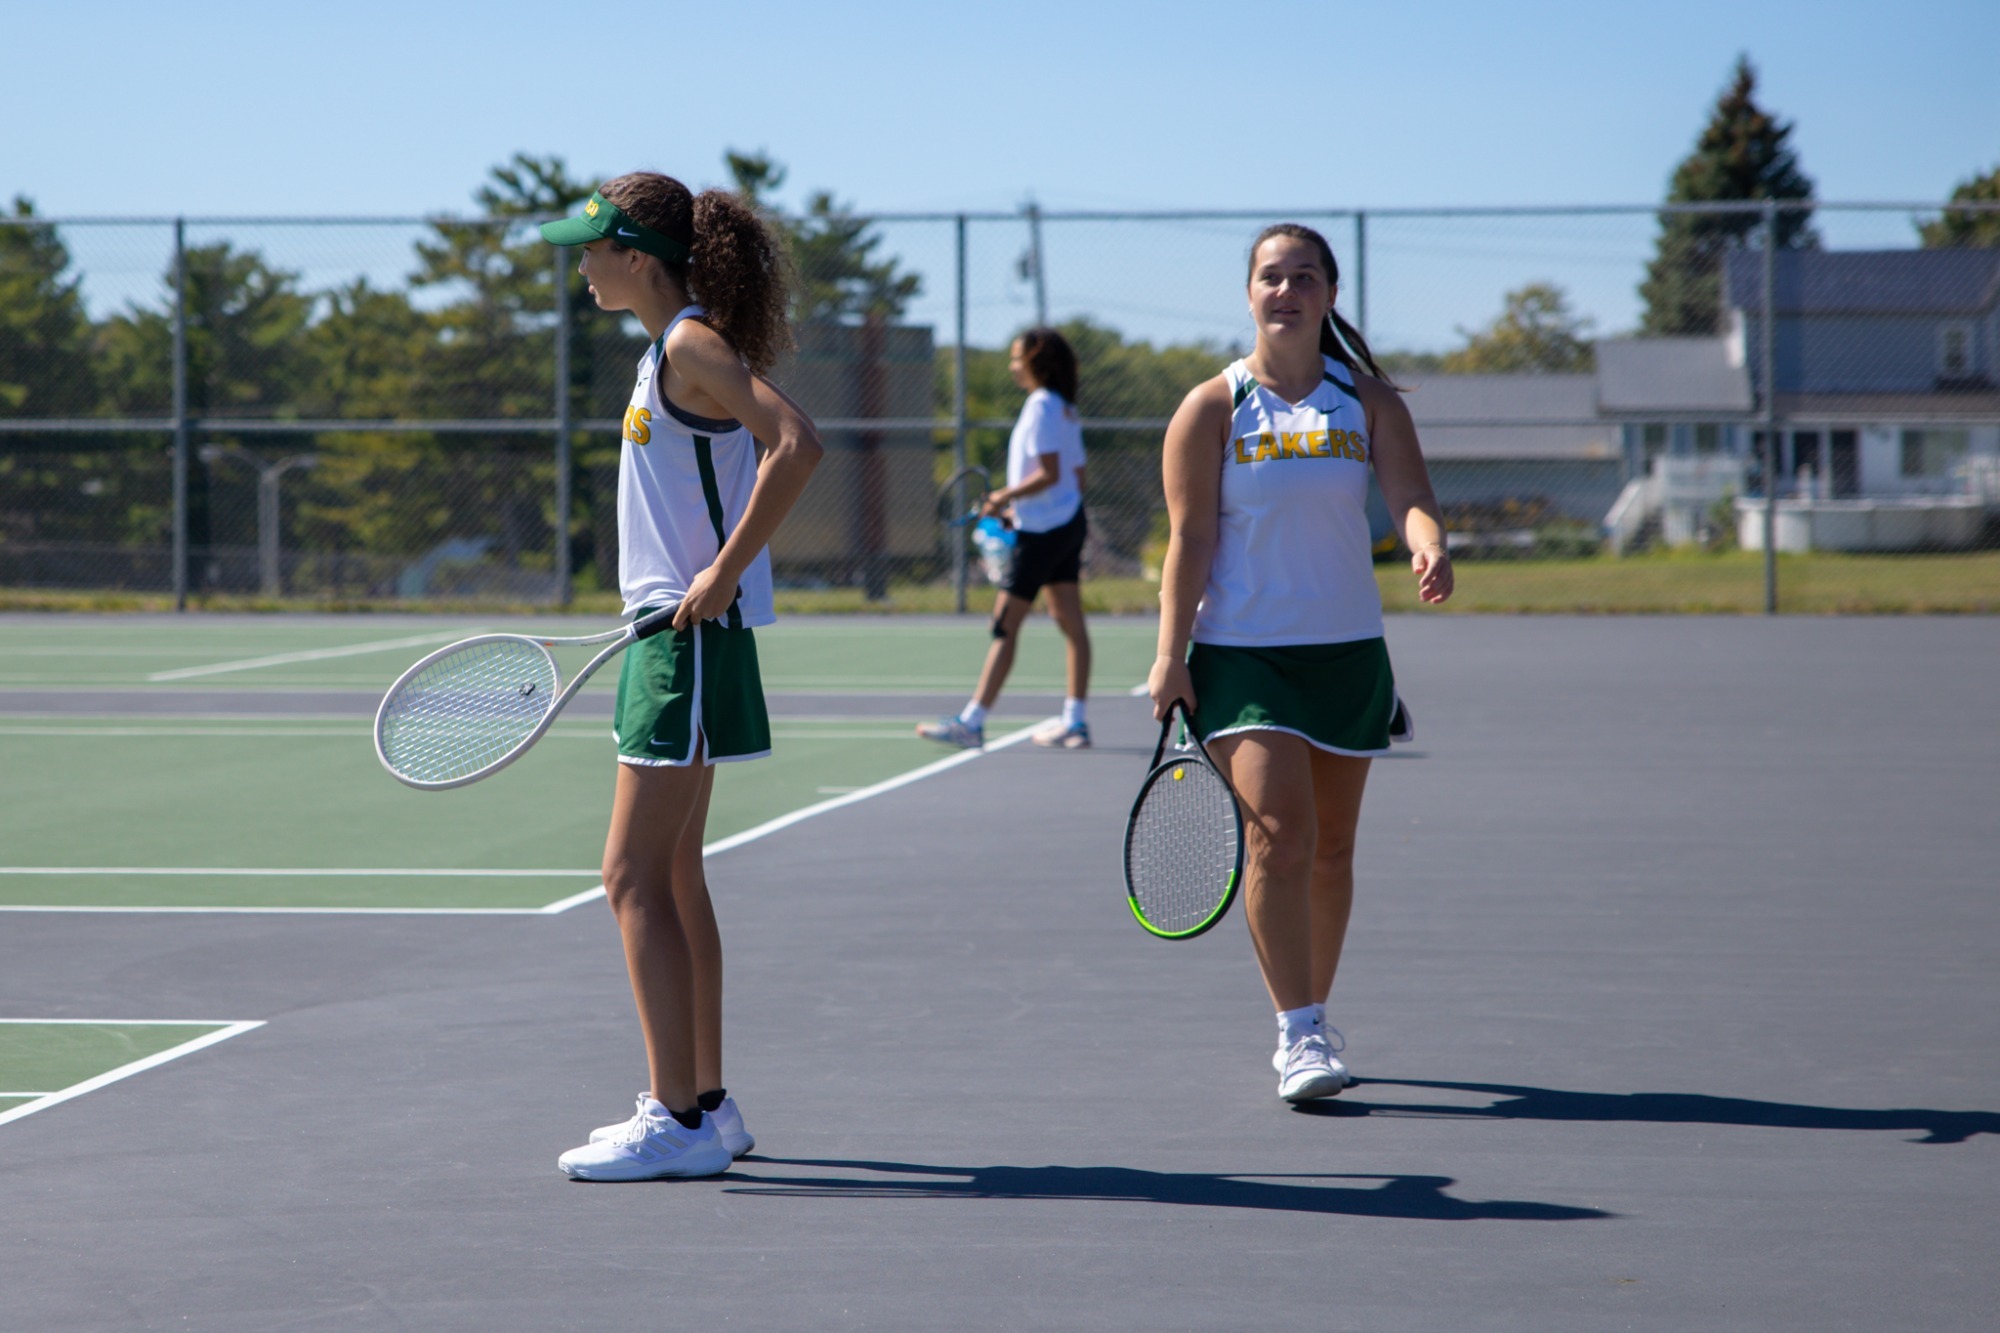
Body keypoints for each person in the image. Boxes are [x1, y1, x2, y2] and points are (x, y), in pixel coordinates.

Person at [537, 174, 821, 1179]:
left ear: (638, 259)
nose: (580, 263)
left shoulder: (691, 345)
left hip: (683, 638)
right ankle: (705, 1104)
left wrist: (718, 573)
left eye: (591, 246)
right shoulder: (666, 351)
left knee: (627, 877)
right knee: (669, 873)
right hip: (676, 635)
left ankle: (675, 1119)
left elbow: (796, 444)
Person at [1146, 223, 1453, 1103]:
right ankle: (1300, 1032)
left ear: (1329, 294)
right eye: (1271, 278)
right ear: (1249, 294)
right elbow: (1190, 539)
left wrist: (1428, 546)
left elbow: (1411, 499)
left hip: (1349, 653)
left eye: (1304, 277)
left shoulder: (1370, 405)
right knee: (1278, 839)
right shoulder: (1213, 406)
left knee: (1332, 850)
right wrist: (1170, 656)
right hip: (1243, 657)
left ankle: (1314, 1006)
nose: (1286, 291)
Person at [918, 326, 1093, 750]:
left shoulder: (1041, 407)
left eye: (1017, 357)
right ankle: (1075, 721)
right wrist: (1021, 508)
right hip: (1067, 525)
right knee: (1069, 621)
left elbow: (1048, 474)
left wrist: (1002, 497)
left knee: (1004, 625)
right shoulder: (1064, 409)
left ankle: (972, 722)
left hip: (1043, 535)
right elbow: (1075, 478)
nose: (1013, 365)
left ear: (1036, 360)